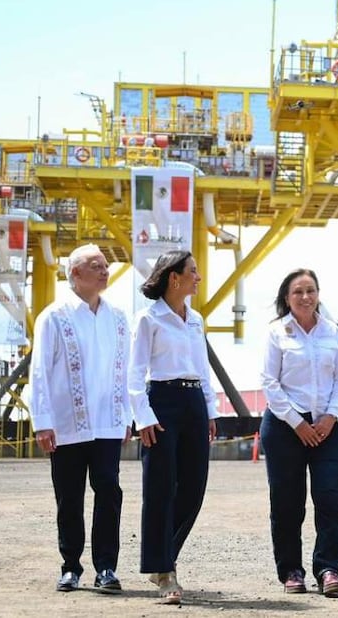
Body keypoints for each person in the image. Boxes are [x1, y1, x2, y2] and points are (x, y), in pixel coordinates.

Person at [27, 244, 131, 594]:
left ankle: (106, 567)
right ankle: (70, 566)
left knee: (109, 491)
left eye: (105, 265)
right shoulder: (54, 316)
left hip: (107, 423)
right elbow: (39, 371)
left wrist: (127, 416)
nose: (104, 271)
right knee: (69, 496)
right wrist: (42, 420)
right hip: (67, 426)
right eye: (95, 266)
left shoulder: (118, 318)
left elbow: (126, 371)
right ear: (74, 273)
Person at [128, 250, 219, 605]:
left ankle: (163, 556)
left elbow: (203, 368)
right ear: (174, 277)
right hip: (161, 403)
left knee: (194, 488)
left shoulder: (195, 319)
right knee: (160, 488)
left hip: (194, 401)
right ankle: (164, 569)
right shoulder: (148, 319)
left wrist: (210, 411)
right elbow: (134, 373)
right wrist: (143, 416)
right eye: (193, 271)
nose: (198, 277)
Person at [260, 269, 338, 596]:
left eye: (311, 290)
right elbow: (270, 383)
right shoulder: (277, 332)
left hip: (331, 426)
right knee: (287, 502)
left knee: (332, 497)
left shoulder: (332, 332)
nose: (305, 297)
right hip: (286, 427)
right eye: (298, 291)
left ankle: (329, 569)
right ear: (287, 298)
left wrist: (331, 416)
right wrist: (297, 423)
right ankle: (291, 571)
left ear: (318, 294)